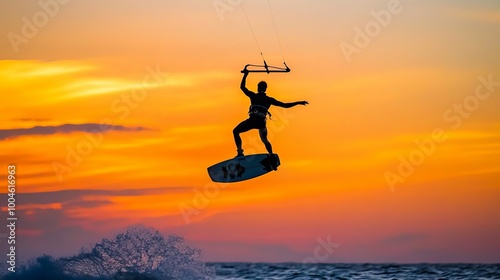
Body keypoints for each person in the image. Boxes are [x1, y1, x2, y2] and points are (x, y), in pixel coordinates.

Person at [233, 69, 308, 169]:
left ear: (258, 88)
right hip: (261, 123)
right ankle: (271, 155)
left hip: (252, 121)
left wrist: (245, 75)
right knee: (265, 140)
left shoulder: (253, 96)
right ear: (266, 89)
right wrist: (298, 102)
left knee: (235, 131)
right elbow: (285, 105)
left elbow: (242, 87)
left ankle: (240, 153)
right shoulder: (269, 100)